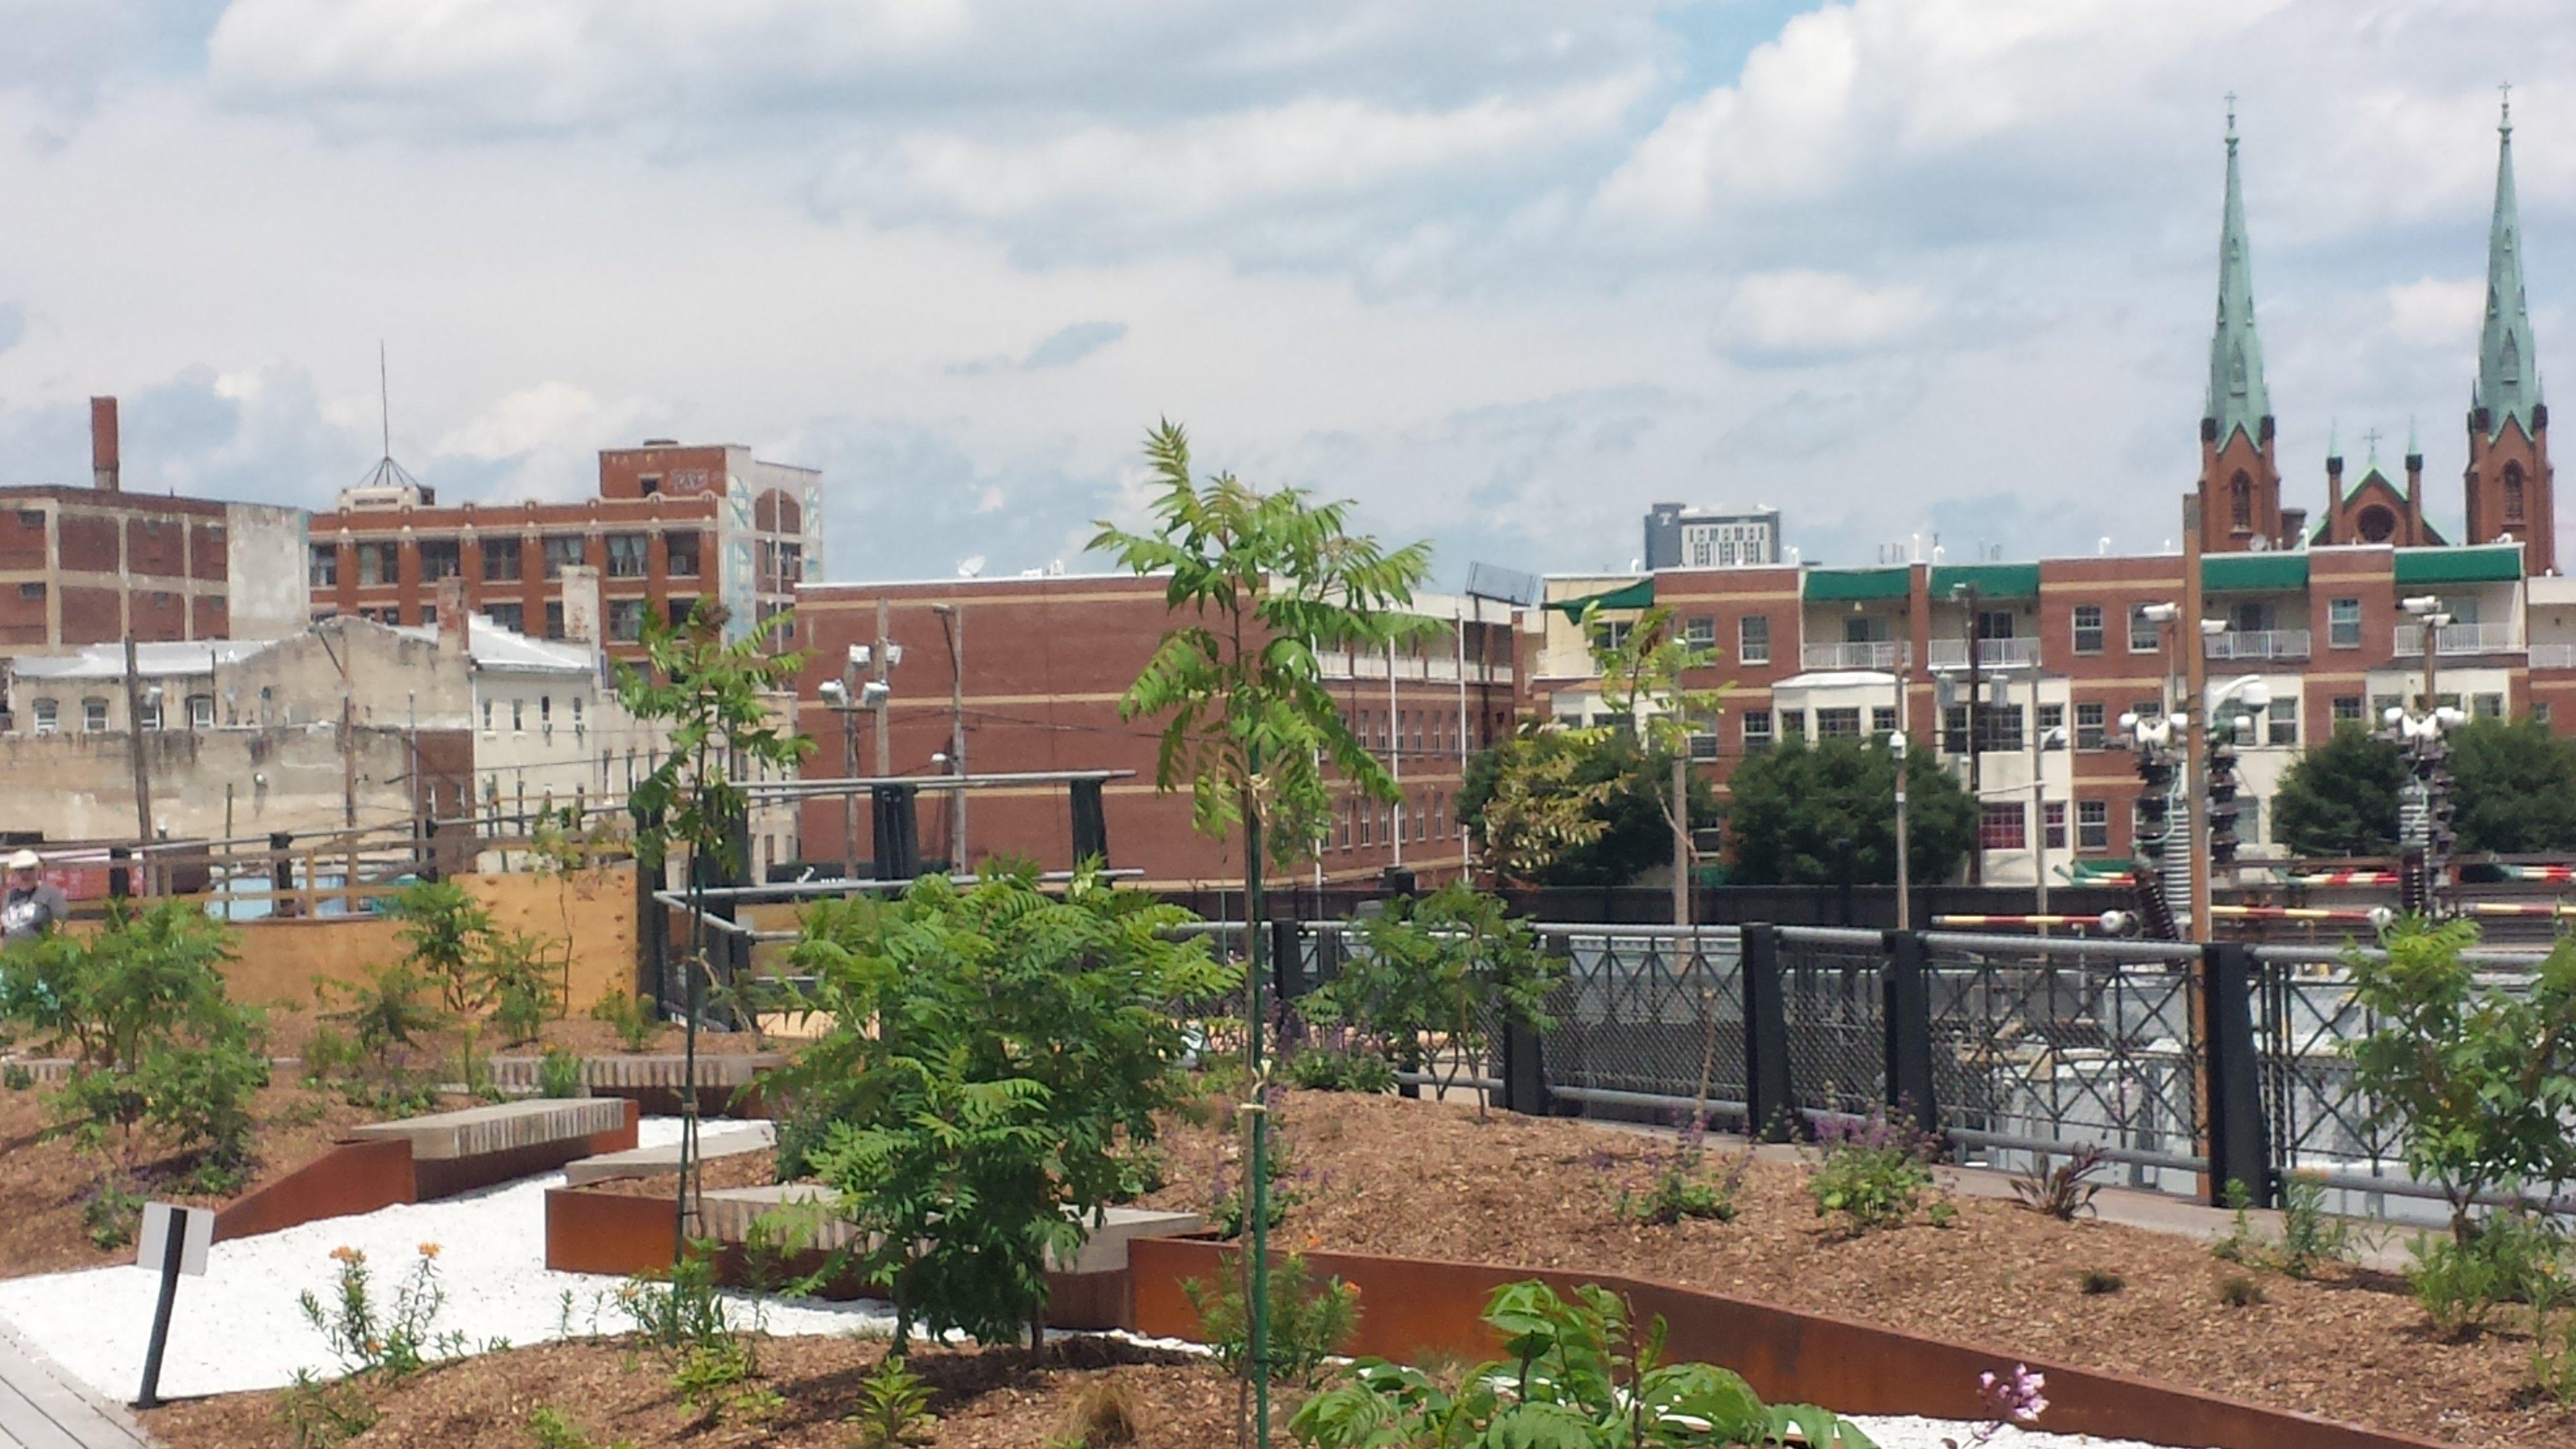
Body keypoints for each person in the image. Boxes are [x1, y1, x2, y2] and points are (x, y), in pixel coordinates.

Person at [2, 850, 69, 946]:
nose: (25, 874)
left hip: (39, 956)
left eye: (30, 869)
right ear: (14, 873)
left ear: (37, 871)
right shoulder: (9, 896)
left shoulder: (51, 894)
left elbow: (61, 927)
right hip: (11, 957)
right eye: (20, 870)